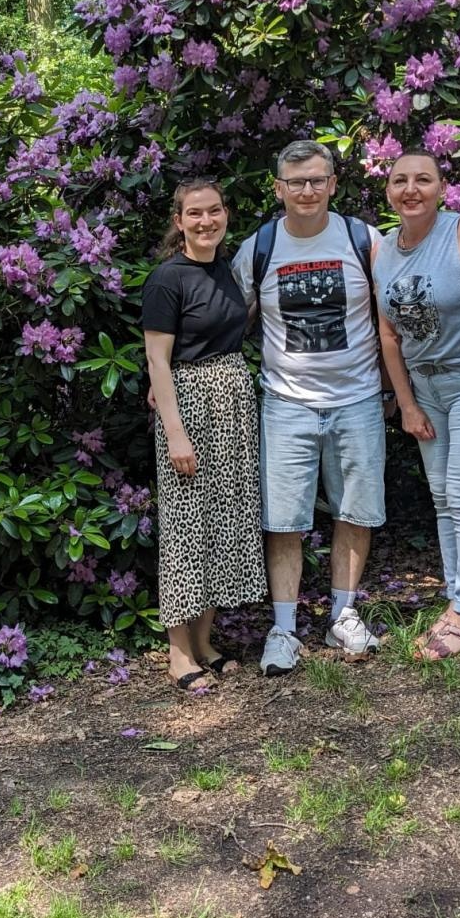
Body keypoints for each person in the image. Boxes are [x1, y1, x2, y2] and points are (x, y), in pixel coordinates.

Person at [233, 138, 386, 675]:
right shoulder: (259, 248)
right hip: (286, 404)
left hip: (358, 398)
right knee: (283, 520)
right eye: (296, 181)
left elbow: (391, 318)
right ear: (279, 188)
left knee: (355, 512)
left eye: (317, 179)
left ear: (333, 185)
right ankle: (283, 629)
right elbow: (231, 322)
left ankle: (344, 615)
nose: (307, 190)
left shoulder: (362, 239)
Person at [142, 179, 268, 691]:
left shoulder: (228, 268)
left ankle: (205, 641)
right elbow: (157, 359)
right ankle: (178, 652)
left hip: (233, 401)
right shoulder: (166, 278)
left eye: (214, 211)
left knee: (221, 522)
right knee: (186, 529)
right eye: (195, 214)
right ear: (179, 221)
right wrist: (175, 433)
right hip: (190, 405)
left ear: (226, 214)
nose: (206, 221)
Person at [375, 151, 460, 659]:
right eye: (400, 180)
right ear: (389, 192)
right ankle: (458, 601)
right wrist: (406, 404)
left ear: (441, 187)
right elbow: (387, 333)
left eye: (422, 179)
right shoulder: (382, 250)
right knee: (443, 496)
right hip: (423, 391)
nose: (411, 189)